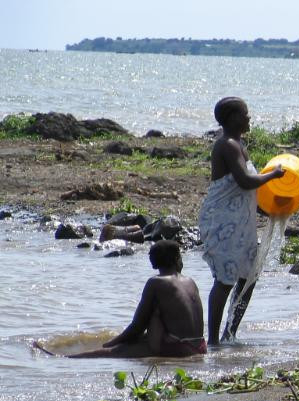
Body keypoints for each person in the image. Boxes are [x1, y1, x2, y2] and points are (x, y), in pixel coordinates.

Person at [198, 97, 285, 345]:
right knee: (225, 280)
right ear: (232, 118)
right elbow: (245, 181)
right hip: (223, 222)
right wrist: (273, 175)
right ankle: (213, 341)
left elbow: (245, 192)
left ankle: (230, 333)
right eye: (245, 114)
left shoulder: (238, 144)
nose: (249, 118)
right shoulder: (227, 145)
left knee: (248, 277)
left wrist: (268, 209)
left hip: (240, 223)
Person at [68, 240, 206, 358]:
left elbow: (138, 327)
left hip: (179, 348)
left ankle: (67, 358)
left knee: (112, 353)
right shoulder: (190, 281)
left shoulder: (156, 282)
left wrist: (112, 343)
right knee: (150, 324)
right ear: (176, 259)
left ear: (153, 264)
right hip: (200, 346)